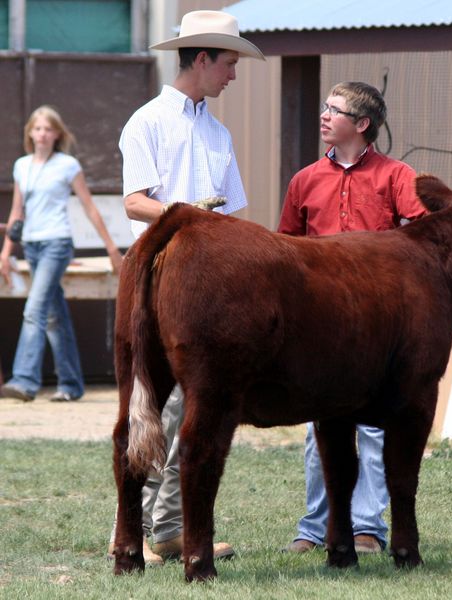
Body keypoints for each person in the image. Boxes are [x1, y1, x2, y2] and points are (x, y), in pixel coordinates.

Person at [106, 10, 265, 565]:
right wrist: (187, 215)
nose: (234, 75)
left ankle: (168, 528)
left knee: (195, 408)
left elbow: (237, 213)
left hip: (209, 285)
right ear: (202, 59)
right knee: (149, 404)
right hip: (156, 274)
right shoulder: (147, 121)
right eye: (229, 63)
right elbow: (133, 201)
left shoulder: (218, 132)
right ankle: (131, 528)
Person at [278, 81, 426, 554]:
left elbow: (421, 231)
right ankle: (314, 528)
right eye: (323, 107)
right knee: (316, 429)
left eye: (334, 110)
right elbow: (287, 246)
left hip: (376, 327)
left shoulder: (398, 175)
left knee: (375, 430)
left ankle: (367, 529)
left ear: (362, 125)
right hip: (319, 325)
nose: (324, 116)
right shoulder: (303, 180)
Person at [0, 105, 123, 403]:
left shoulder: (67, 165)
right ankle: (71, 384)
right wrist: (6, 252)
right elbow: (17, 212)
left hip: (57, 244)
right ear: (30, 132)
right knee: (55, 317)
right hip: (31, 245)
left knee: (34, 309)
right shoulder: (22, 166)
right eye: (38, 128)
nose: (42, 134)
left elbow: (89, 207)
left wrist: (111, 248)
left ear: (57, 134)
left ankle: (24, 382)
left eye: (48, 129)